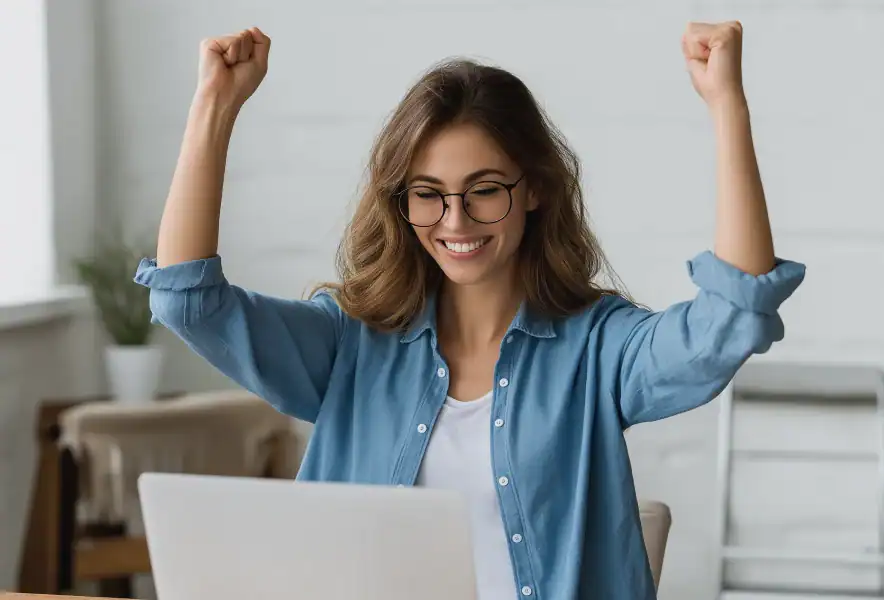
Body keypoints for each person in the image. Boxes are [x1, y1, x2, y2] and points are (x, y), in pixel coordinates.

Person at [135, 21, 805, 600]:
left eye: (484, 190)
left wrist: (727, 106)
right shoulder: (348, 345)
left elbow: (731, 317)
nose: (455, 220)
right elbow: (188, 302)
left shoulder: (599, 350)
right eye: (428, 193)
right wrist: (214, 106)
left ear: (535, 189)